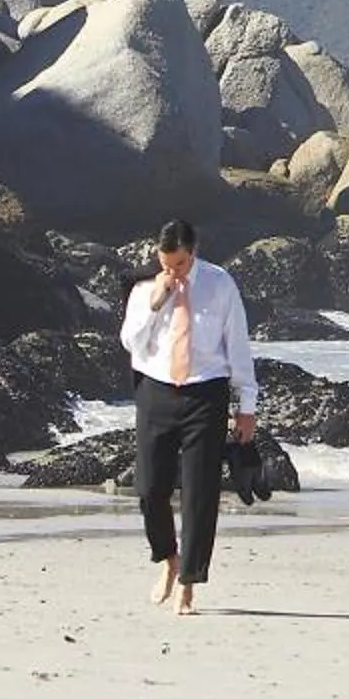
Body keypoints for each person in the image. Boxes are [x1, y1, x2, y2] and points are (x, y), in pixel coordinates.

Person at [119, 218, 259, 614]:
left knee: (200, 494)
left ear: (192, 253)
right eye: (165, 263)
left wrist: (246, 406)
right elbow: (130, 341)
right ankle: (168, 559)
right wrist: (156, 301)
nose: (171, 271)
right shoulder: (146, 286)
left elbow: (238, 347)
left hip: (205, 393)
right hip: (156, 390)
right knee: (150, 490)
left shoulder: (220, 284)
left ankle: (189, 581)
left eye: (178, 264)